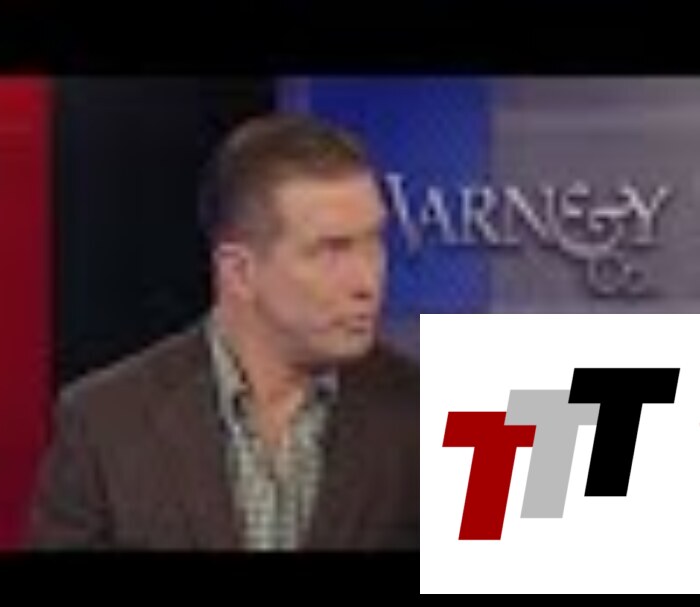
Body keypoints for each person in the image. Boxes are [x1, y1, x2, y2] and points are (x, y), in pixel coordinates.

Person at [29, 112, 419, 550]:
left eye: (374, 243)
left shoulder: (436, 416)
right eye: (332, 251)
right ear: (239, 272)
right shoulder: (106, 424)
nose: (367, 281)